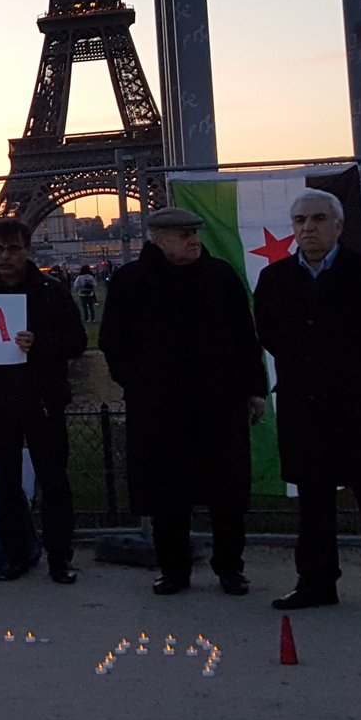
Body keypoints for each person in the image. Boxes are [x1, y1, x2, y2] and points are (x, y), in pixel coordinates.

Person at [254, 188, 361, 619]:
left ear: (338, 226)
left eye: (317, 219)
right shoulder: (274, 280)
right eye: (299, 221)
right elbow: (269, 335)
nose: (307, 228)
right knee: (313, 504)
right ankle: (315, 583)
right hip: (306, 409)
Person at [98, 207, 269, 597]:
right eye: (183, 235)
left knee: (225, 492)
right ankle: (173, 568)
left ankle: (230, 566)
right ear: (158, 238)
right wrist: (137, 381)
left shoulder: (221, 277)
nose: (194, 241)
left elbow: (245, 336)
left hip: (218, 401)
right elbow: (112, 340)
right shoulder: (130, 282)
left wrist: (253, 388)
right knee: (167, 494)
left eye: (195, 233)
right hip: (159, 405)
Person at [0, 218, 88, 584]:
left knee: (54, 483)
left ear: (27, 249)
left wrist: (39, 343)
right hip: (0, 402)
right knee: (7, 484)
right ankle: (15, 554)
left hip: (42, 401)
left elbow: (76, 340)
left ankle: (59, 557)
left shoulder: (51, 292)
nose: (5, 256)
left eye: (13, 248)